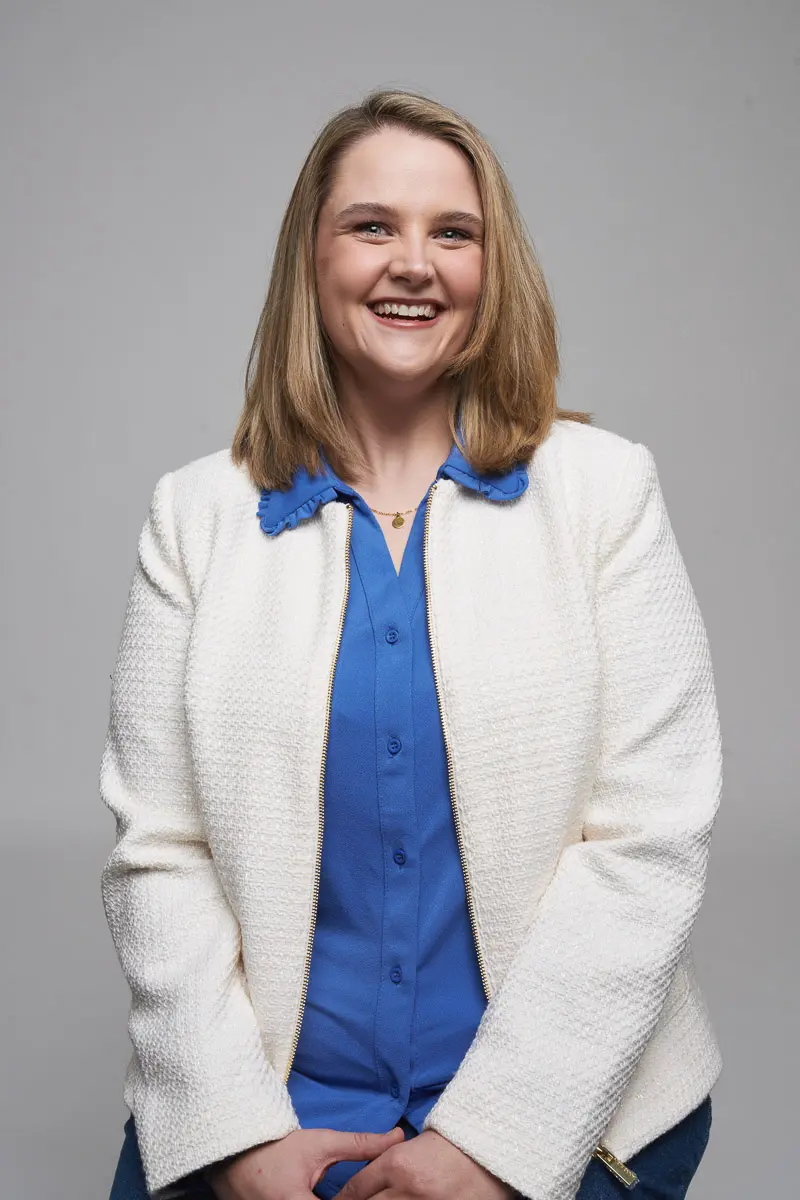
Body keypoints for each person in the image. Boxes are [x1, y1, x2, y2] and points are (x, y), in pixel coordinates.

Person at [100, 89, 722, 1200]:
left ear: (493, 267)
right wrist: (237, 1137)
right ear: (312, 256)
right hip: (267, 1126)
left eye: (452, 233)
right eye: (371, 226)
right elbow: (159, 853)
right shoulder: (191, 516)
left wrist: (495, 1141)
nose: (413, 265)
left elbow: (649, 837)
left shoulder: (604, 493)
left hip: (565, 1117)